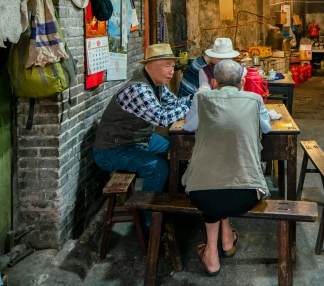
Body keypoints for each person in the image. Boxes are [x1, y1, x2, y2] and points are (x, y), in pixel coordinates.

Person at [181, 60, 271, 277]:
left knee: (213, 179)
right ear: (242, 83)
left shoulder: (201, 98)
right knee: (229, 175)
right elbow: (266, 128)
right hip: (246, 194)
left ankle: (212, 254)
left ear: (213, 82)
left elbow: (188, 126)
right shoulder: (255, 99)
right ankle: (227, 241)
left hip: (202, 195)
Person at [93, 43, 190, 228]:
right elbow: (162, 119)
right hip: (113, 149)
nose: (172, 71)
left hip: (138, 139)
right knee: (158, 168)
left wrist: (195, 98)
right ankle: (149, 223)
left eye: (172, 65)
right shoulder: (139, 89)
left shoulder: (157, 84)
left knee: (175, 149)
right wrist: (189, 106)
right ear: (150, 66)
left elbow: (174, 103)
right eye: (167, 65)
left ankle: (169, 202)